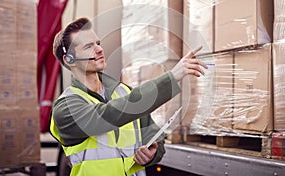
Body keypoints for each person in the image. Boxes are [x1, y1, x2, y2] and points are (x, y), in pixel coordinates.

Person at [50, 17, 208, 176]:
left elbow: (154, 136)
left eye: (98, 43)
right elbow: (109, 114)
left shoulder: (124, 92)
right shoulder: (65, 108)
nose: (99, 49)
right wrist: (171, 78)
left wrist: (152, 153)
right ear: (69, 60)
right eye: (88, 46)